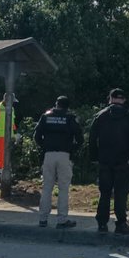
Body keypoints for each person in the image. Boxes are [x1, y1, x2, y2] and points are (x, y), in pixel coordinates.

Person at [88, 87, 129, 235]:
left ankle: (102, 223)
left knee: (104, 193)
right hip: (124, 161)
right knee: (121, 194)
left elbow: (92, 139)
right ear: (123, 100)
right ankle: (121, 224)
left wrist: (94, 158)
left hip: (105, 161)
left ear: (110, 99)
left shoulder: (100, 116)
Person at [34, 95, 83, 229]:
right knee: (63, 189)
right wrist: (71, 149)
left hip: (48, 155)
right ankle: (61, 220)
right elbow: (80, 139)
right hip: (64, 155)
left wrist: (45, 146)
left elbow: (37, 136)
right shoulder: (70, 118)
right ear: (67, 106)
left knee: (46, 188)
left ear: (56, 104)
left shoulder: (46, 116)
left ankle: (43, 219)